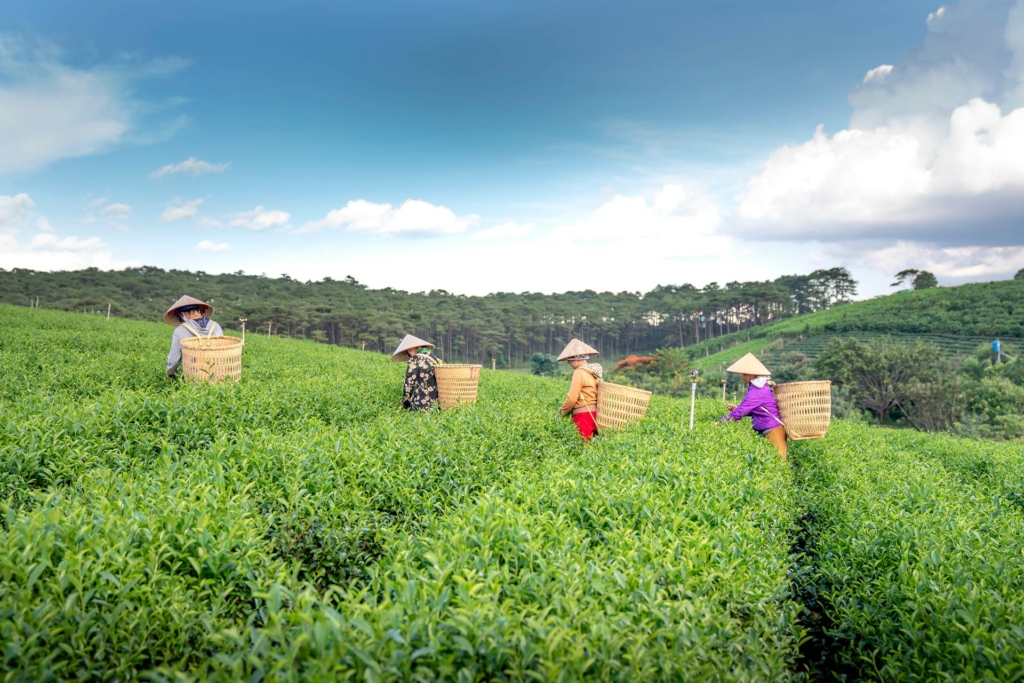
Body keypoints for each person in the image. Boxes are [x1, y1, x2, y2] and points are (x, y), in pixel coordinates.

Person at [718, 352, 787, 459]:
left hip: (773, 430)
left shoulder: (757, 391)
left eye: (744, 373)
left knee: (779, 462)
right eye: (741, 373)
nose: (741, 375)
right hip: (767, 429)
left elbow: (740, 412)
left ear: (753, 374)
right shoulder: (757, 387)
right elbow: (755, 409)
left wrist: (720, 422)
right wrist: (737, 409)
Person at [164, 295, 223, 379]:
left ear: (182, 314)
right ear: (199, 311)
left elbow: (174, 359)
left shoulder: (180, 330)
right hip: (218, 372)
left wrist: (170, 373)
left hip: (193, 374)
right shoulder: (216, 326)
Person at [557, 339, 603, 441]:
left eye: (569, 360)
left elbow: (572, 398)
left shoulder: (579, 372)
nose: (569, 363)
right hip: (596, 414)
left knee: (583, 446)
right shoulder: (594, 372)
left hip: (583, 416)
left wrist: (562, 411)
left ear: (576, 358)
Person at [393, 334, 439, 410]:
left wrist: (405, 402)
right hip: (436, 404)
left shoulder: (415, 359)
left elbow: (409, 384)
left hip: (421, 404)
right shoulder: (434, 358)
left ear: (410, 349)